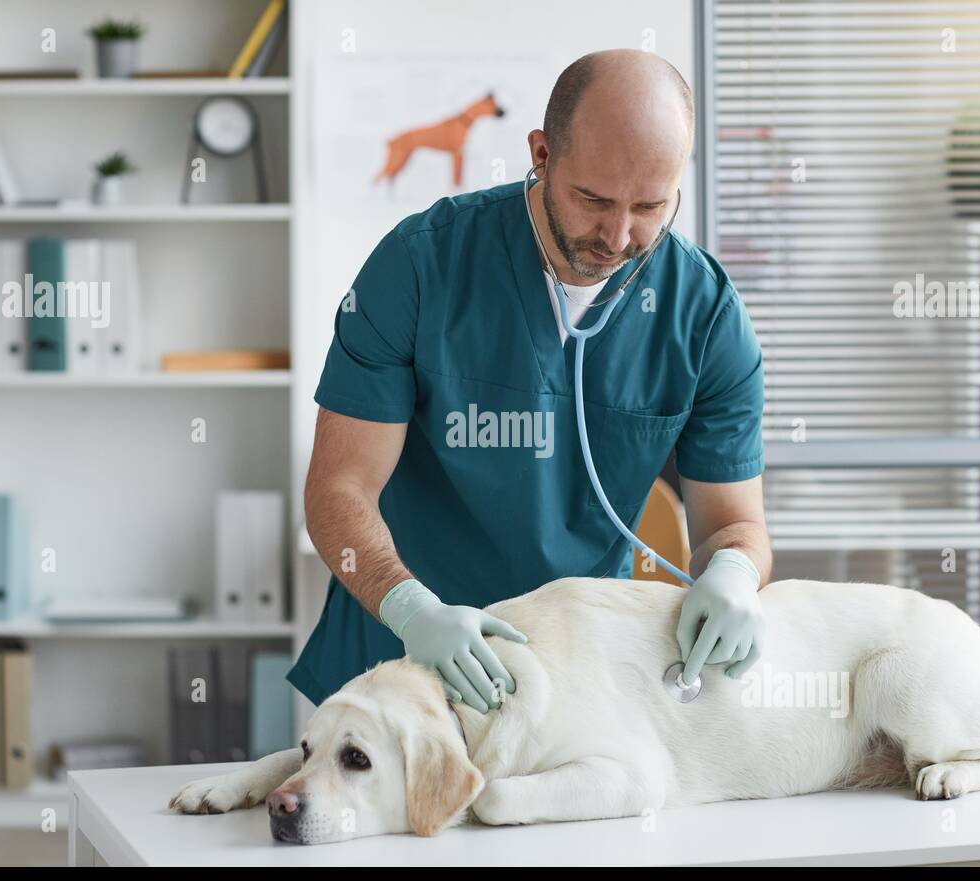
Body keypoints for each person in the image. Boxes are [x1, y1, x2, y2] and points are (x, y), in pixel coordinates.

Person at [289, 49, 772, 716]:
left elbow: (733, 525)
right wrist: (411, 610)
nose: (618, 234)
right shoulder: (420, 265)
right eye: (593, 199)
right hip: (393, 656)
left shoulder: (705, 314)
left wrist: (735, 575)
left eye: (650, 206)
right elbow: (338, 488)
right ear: (541, 154)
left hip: (570, 673)